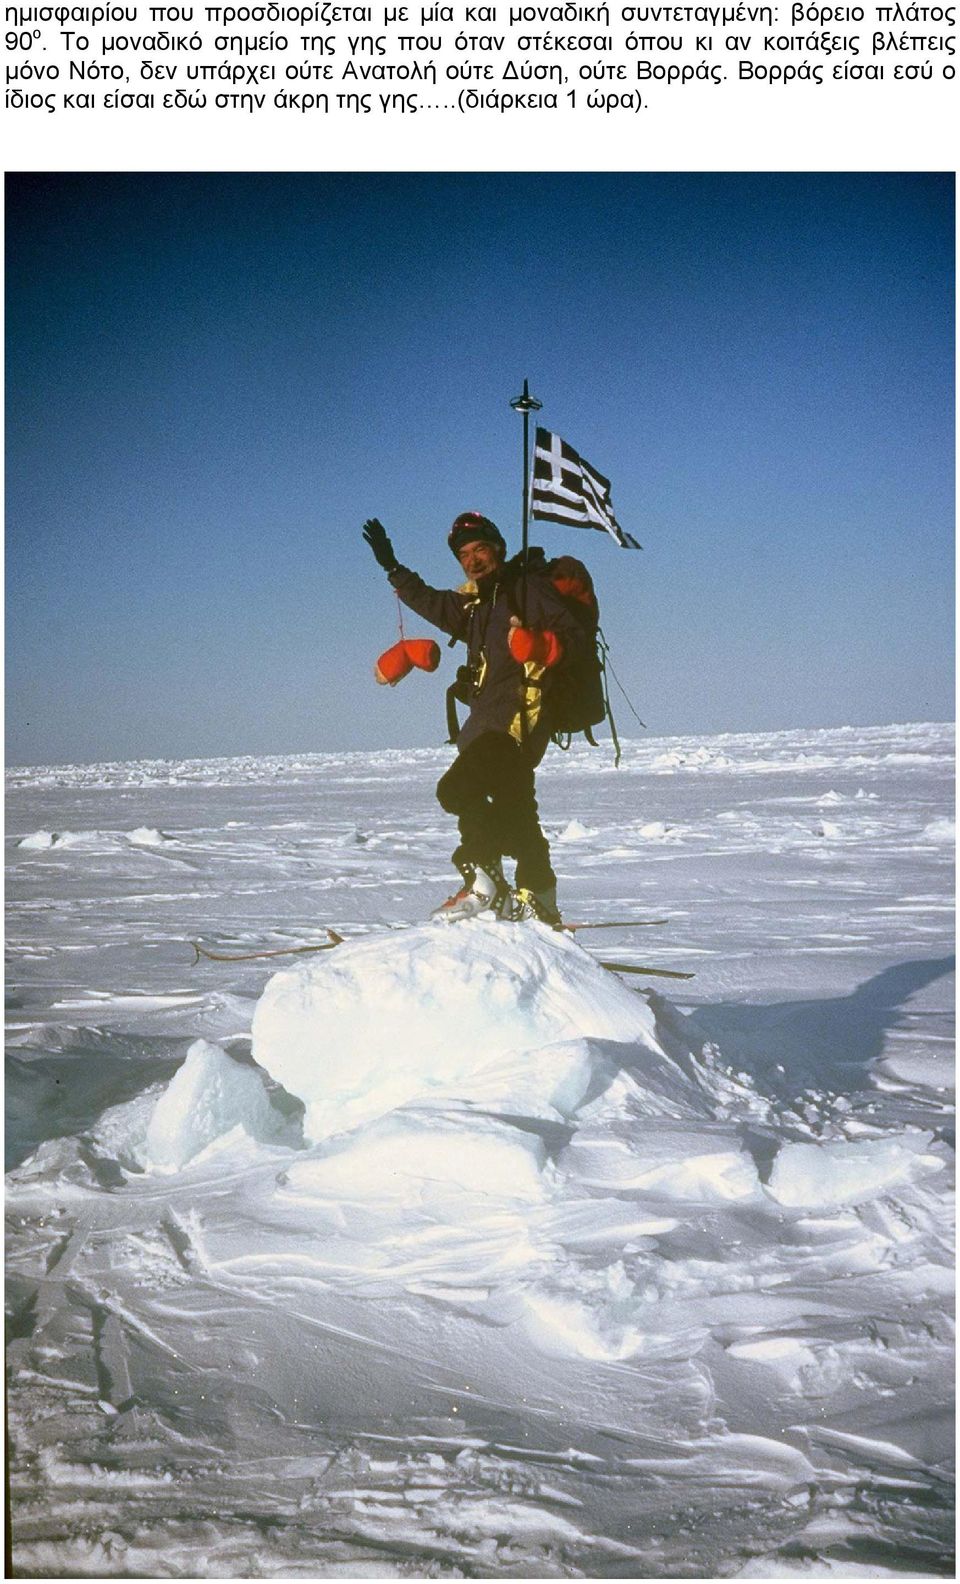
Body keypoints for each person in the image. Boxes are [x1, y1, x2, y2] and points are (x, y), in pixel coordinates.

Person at [362, 511, 588, 924]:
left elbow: (574, 639)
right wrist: (393, 568)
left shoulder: (527, 591)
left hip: (519, 721)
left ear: (498, 548)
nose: (472, 560)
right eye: (464, 554)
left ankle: (483, 881)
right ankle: (541, 896)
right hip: (487, 723)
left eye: (479, 549)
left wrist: (537, 644)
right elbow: (432, 602)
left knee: (455, 791)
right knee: (517, 811)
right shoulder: (475, 604)